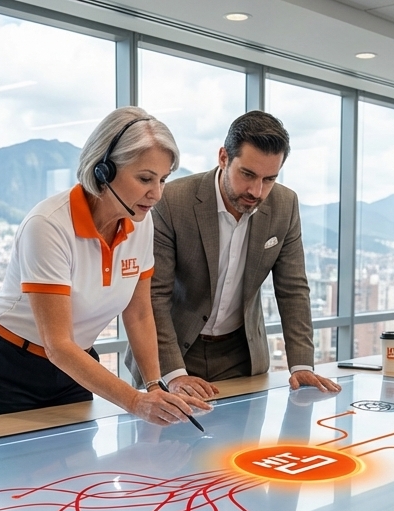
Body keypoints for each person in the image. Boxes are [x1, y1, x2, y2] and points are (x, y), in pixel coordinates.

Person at [0, 106, 209, 427]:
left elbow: (138, 313)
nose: (157, 194)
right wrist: (135, 401)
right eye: (145, 179)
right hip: (7, 367)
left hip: (74, 367)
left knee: (78, 460)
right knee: (12, 462)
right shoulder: (48, 224)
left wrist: (153, 387)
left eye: (162, 180)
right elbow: (58, 344)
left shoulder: (140, 220)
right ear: (103, 170)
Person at [139, 110, 341, 399]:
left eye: (269, 179)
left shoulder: (284, 206)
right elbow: (154, 295)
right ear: (224, 157)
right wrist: (174, 374)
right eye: (248, 174)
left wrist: (301, 365)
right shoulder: (172, 201)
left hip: (241, 355)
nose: (256, 191)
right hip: (173, 349)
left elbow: (293, 289)